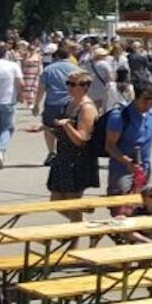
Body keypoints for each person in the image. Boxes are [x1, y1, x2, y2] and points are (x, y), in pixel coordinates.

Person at [46, 70, 98, 209]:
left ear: (85, 86)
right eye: (68, 83)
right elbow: (63, 132)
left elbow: (81, 140)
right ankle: (85, 214)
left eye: (73, 84)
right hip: (63, 157)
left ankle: (82, 221)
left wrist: (67, 125)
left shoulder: (87, 108)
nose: (69, 87)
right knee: (56, 202)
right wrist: (47, 129)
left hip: (77, 160)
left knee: (71, 204)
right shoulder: (70, 103)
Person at [0, 44, 23, 169]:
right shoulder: (13, 66)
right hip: (8, 100)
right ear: (6, 54)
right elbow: (20, 82)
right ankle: (0, 150)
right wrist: (21, 95)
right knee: (8, 128)